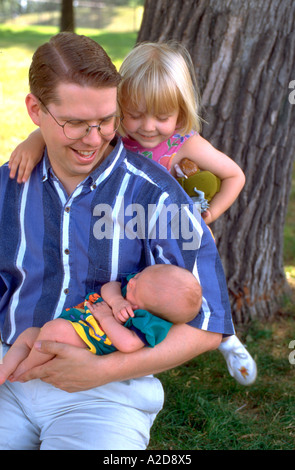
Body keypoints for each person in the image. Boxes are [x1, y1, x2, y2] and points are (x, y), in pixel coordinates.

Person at [0, 32, 234, 450]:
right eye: (74, 123)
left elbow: (209, 322)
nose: (93, 139)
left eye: (106, 121)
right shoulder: (6, 189)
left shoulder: (158, 196)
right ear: (35, 110)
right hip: (8, 375)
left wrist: (101, 372)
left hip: (108, 392)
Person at [0, 264, 202, 383]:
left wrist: (106, 318)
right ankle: (4, 370)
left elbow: (128, 344)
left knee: (54, 331)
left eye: (137, 285)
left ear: (151, 308)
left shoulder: (148, 321)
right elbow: (111, 286)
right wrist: (116, 301)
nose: (131, 281)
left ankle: (24, 371)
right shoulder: (129, 292)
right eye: (138, 276)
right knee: (29, 335)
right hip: (80, 325)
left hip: (93, 341)